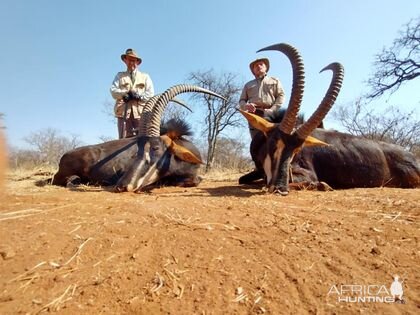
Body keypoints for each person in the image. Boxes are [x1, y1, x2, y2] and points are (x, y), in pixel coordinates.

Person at [110, 48, 154, 138]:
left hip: (141, 115)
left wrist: (139, 96)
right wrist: (125, 93)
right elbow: (113, 91)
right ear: (125, 61)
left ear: (137, 62)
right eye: (129, 60)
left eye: (133, 60)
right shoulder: (119, 76)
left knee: (143, 142)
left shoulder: (145, 77)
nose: (131, 63)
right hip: (124, 115)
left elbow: (150, 94)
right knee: (123, 142)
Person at [239, 57, 285, 139]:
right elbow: (242, 100)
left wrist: (272, 109)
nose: (258, 66)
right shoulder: (248, 85)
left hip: (272, 114)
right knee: (257, 142)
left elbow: (281, 96)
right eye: (256, 65)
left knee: (274, 141)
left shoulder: (275, 81)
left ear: (266, 67)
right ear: (253, 70)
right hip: (254, 115)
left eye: (261, 64)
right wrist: (246, 106)